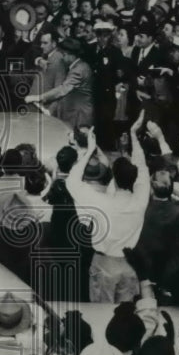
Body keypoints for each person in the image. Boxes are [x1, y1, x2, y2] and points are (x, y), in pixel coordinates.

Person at [66, 117, 150, 303]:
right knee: (126, 311)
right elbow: (142, 167)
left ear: (114, 179)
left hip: (104, 264)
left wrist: (89, 152)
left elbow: (72, 182)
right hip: (130, 264)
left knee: (101, 314)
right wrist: (134, 136)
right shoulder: (140, 201)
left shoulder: (101, 203)